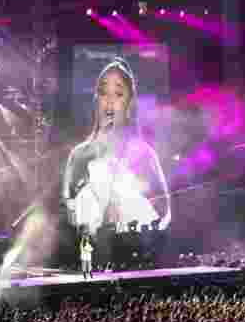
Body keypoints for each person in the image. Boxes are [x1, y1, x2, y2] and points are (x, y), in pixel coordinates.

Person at [62, 57, 170, 237]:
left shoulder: (144, 154)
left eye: (118, 94)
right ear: (96, 99)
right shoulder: (80, 154)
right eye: (103, 92)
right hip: (88, 253)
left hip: (135, 251)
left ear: (129, 102)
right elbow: (66, 205)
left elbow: (164, 212)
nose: (109, 101)